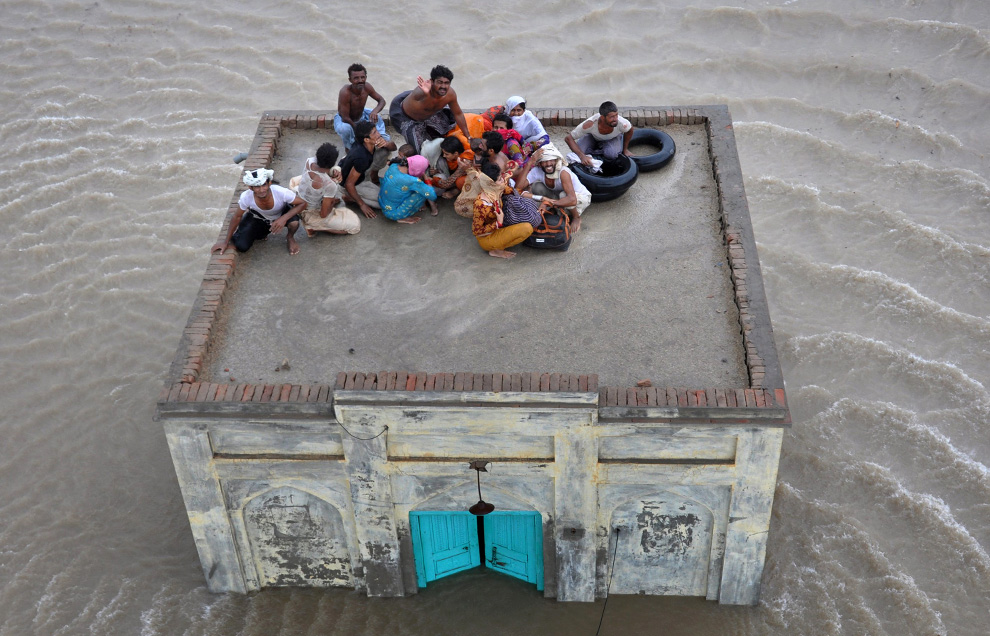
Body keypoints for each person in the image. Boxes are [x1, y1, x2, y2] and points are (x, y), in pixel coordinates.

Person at [212, 168, 306, 255]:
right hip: (259, 218)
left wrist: (283, 219)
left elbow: (303, 203)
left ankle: (290, 237)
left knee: (294, 223)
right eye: (257, 187)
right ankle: (261, 233)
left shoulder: (281, 192)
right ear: (250, 188)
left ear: (269, 183)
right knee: (242, 246)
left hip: (281, 214)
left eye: (264, 185)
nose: (261, 190)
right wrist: (225, 242)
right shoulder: (246, 197)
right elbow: (237, 216)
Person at [388, 65, 471, 152]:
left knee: (448, 125)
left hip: (430, 113)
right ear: (432, 81)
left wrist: (468, 136)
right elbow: (417, 96)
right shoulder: (421, 91)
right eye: (440, 82)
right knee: (419, 151)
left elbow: (458, 114)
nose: (443, 86)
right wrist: (426, 94)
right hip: (405, 116)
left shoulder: (450, 94)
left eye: (447, 83)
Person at [516, 143, 591, 233]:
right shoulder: (537, 170)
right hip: (558, 195)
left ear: (556, 160)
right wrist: (529, 163)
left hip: (580, 197)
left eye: (551, 160)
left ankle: (576, 217)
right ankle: (555, 207)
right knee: (537, 186)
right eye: (544, 161)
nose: (548, 164)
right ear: (539, 163)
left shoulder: (563, 172)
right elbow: (518, 188)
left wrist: (547, 203)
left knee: (563, 196)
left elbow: (572, 199)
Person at [290, 142, 361, 237]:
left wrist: (333, 171)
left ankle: (325, 203)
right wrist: (331, 202)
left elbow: (322, 172)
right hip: (310, 211)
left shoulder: (310, 161)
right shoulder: (330, 185)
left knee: (337, 170)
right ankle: (312, 226)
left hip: (300, 197)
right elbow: (323, 214)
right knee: (354, 226)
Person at [471, 162, 533, 259]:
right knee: (527, 228)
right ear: (491, 183)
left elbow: (514, 192)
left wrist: (540, 198)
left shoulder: (497, 189)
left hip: (501, 225)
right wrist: (498, 223)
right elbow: (476, 231)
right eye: (500, 179)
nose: (503, 181)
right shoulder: (481, 205)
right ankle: (496, 250)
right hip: (487, 237)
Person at [334, 63, 390, 152]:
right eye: (356, 78)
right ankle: (348, 148)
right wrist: (359, 130)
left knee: (377, 118)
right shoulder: (345, 92)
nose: (360, 80)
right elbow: (345, 117)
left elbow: (381, 101)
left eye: (362, 77)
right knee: (345, 129)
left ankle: (381, 138)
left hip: (362, 115)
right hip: (346, 120)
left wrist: (375, 111)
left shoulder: (367, 87)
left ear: (366, 77)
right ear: (350, 80)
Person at [564, 101, 634, 166]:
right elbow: (568, 138)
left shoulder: (622, 123)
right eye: (612, 117)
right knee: (579, 152)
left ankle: (594, 152)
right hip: (593, 137)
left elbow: (630, 129)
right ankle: (596, 151)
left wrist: (625, 150)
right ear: (602, 117)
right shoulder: (590, 124)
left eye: (616, 115)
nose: (615, 119)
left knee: (611, 154)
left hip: (612, 138)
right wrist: (582, 156)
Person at [339, 121, 384, 219]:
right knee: (385, 204)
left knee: (385, 150)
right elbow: (349, 184)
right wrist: (362, 205)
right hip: (350, 184)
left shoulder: (365, 144)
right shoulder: (362, 158)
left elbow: (392, 147)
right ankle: (350, 197)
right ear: (366, 140)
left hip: (359, 173)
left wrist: (386, 143)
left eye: (377, 131)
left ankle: (355, 194)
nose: (379, 134)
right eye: (375, 133)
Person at [378, 156, 438, 224]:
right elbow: (432, 195)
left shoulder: (394, 165)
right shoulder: (412, 181)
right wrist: (426, 179)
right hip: (394, 214)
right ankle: (402, 218)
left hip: (382, 202)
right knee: (423, 193)